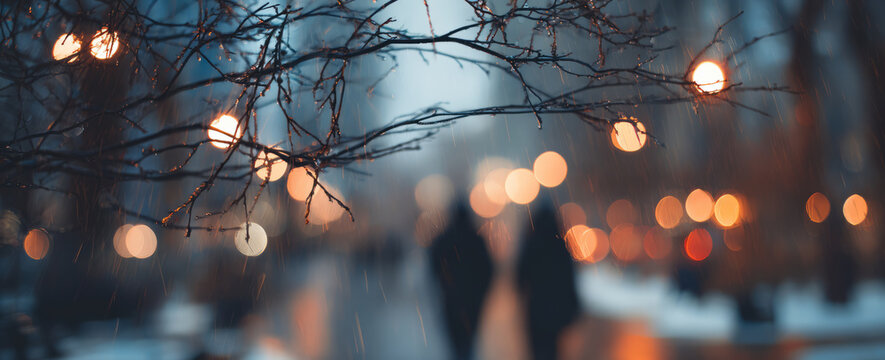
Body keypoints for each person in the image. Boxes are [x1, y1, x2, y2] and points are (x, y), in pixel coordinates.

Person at [429, 202, 493, 360]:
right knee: (468, 340)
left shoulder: (444, 240)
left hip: (451, 300)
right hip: (472, 301)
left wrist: (445, 285)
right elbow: (489, 270)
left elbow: (434, 267)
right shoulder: (476, 240)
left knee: (456, 341)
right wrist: (481, 293)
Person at [516, 205, 580, 360]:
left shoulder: (532, 245)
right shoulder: (561, 248)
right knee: (552, 348)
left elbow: (520, 276)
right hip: (556, 309)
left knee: (538, 349)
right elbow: (569, 279)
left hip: (536, 309)